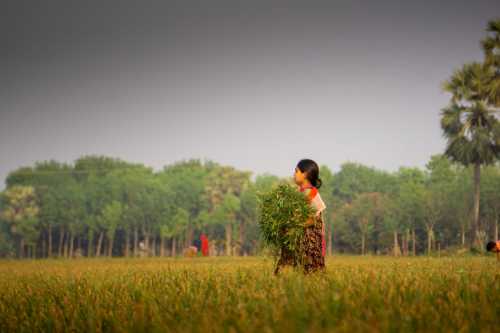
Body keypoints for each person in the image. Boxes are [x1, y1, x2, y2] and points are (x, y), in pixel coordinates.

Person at [295, 158, 327, 274]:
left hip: (313, 242)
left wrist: (295, 224)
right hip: (305, 240)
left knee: (313, 270)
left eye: (296, 171)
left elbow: (312, 220)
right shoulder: (301, 192)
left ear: (305, 174)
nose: (294, 174)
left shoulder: (311, 193)